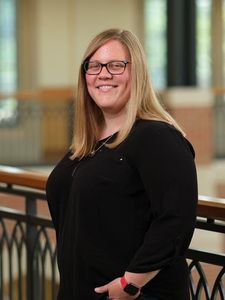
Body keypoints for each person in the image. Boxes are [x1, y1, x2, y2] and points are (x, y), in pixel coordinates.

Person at [46, 28, 198, 300]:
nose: (103, 73)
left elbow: (176, 218)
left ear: (136, 73)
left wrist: (130, 283)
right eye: (93, 66)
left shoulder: (157, 136)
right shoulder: (86, 144)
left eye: (116, 65)